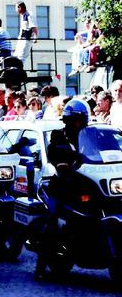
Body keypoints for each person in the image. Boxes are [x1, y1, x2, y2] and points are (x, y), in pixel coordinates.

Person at [34, 99, 89, 280]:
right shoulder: (59, 136)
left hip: (84, 182)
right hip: (62, 185)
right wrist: (62, 162)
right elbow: (53, 153)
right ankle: (41, 266)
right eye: (77, 120)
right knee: (53, 217)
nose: (80, 123)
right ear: (68, 120)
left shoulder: (89, 136)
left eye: (82, 120)